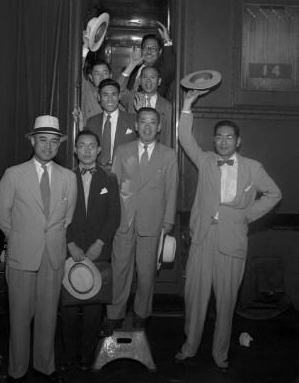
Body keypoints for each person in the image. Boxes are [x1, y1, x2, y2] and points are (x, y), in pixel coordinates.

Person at [175, 91, 282, 369]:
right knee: (195, 297)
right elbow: (185, 138)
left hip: (232, 243)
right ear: (214, 141)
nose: (224, 141)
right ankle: (189, 347)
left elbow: (274, 194)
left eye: (229, 137)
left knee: (226, 303)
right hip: (202, 240)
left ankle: (220, 353)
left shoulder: (252, 168)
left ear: (238, 141)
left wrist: (247, 215)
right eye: (219, 137)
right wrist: (187, 105)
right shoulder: (207, 160)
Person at [0, 116, 77, 383]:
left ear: (59, 145)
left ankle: (45, 367)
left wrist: (46, 238)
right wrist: (20, 237)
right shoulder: (13, 174)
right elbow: (1, 216)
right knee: (19, 318)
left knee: (48, 317)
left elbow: (68, 217)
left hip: (52, 256)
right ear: (32, 141)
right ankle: (17, 371)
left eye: (54, 142)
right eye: (43, 140)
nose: (49, 146)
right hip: (22, 255)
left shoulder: (68, 177)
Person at [102, 107, 178, 335]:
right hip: (123, 221)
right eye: (143, 121)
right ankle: (114, 315)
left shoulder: (168, 155)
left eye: (152, 122)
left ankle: (142, 314)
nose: (147, 126)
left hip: (153, 222)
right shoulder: (123, 150)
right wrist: (112, 218)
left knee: (146, 272)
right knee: (120, 269)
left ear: (159, 127)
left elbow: (171, 189)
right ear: (136, 125)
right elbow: (113, 186)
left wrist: (168, 221)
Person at [59, 129, 120, 371]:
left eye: (91, 146)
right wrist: (69, 242)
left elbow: (114, 216)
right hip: (70, 251)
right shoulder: (65, 178)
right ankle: (68, 355)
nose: (86, 150)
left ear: (99, 150)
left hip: (98, 253)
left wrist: (100, 243)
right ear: (74, 150)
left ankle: (86, 356)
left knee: (94, 309)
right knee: (69, 307)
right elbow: (58, 215)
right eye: (81, 145)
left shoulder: (109, 180)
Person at [86, 78, 137, 171]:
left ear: (119, 96)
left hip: (126, 175)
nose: (110, 99)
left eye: (114, 95)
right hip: (98, 174)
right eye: (105, 95)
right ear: (98, 97)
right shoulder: (91, 122)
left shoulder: (133, 120)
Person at [117, 22, 175, 99]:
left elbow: (169, 64)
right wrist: (131, 65)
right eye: (146, 47)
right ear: (141, 50)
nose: (149, 51)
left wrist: (167, 41)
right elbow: (119, 89)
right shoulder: (133, 70)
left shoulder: (162, 72)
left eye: (153, 48)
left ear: (160, 51)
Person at [121, 65, 172, 147]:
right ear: (139, 81)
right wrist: (132, 63)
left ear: (159, 81)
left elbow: (168, 136)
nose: (148, 81)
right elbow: (118, 89)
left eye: (152, 77)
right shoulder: (132, 98)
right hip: (132, 151)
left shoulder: (167, 106)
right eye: (144, 77)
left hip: (157, 153)